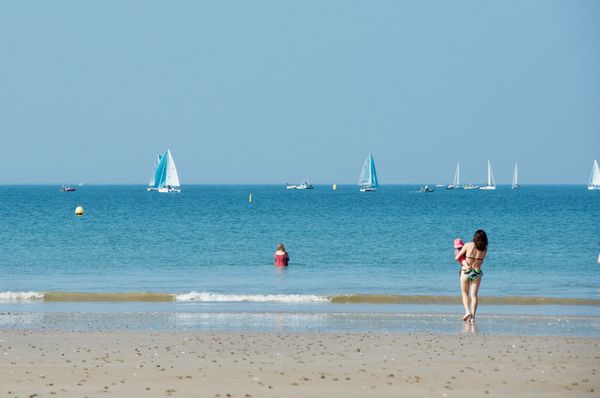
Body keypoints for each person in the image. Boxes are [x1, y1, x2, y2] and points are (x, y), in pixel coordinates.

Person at [454, 230, 488, 322]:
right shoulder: (485, 249)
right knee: (474, 295)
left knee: (465, 293)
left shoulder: (468, 245)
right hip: (477, 272)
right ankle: (473, 317)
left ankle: (467, 312)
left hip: (466, 271)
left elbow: (457, 258)